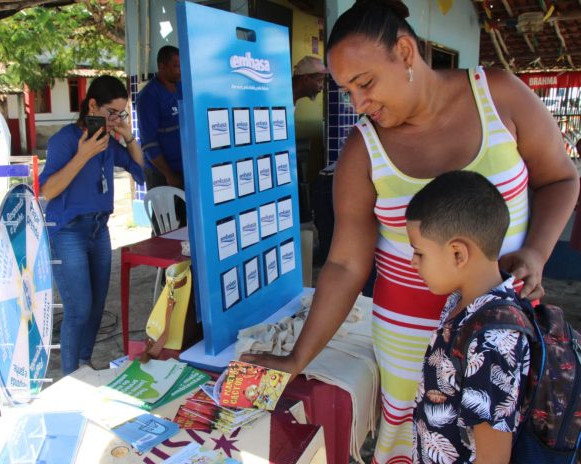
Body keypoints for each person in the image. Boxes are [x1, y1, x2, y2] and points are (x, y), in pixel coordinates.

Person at [241, 1, 579, 462]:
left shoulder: (498, 95)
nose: (360, 104)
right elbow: (344, 262)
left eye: (365, 83)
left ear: (404, 51)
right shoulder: (364, 149)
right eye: (346, 92)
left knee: (502, 444)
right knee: (415, 443)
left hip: (500, 336)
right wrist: (298, 357)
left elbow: (561, 178)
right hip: (409, 338)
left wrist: (537, 252)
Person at [406, 171, 529, 464]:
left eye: (419, 253)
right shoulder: (463, 305)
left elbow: (493, 457)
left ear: (458, 254)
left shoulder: (491, 342)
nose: (412, 263)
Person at [39, 75, 144, 375]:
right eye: (112, 113)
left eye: (121, 114)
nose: (114, 120)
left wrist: (129, 136)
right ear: (93, 105)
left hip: (99, 229)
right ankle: (71, 378)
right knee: (79, 308)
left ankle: (84, 364)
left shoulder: (108, 143)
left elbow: (140, 172)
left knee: (97, 307)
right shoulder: (65, 140)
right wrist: (83, 155)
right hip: (68, 230)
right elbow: (47, 191)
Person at [137, 45, 184, 191]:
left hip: (185, 169)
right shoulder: (148, 96)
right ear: (162, 66)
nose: (180, 70)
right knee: (166, 214)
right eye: (176, 66)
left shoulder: (183, 87)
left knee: (185, 214)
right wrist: (169, 175)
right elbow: (149, 144)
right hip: (161, 173)